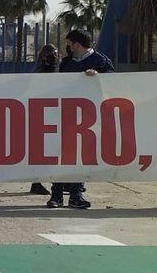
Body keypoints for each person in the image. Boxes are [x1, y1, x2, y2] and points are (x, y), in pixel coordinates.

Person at [47, 29, 115, 209]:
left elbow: (113, 83)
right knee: (62, 156)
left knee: (82, 157)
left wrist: (97, 77)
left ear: (77, 44)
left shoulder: (100, 62)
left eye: (69, 43)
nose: (67, 47)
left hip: (90, 119)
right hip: (67, 116)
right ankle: (57, 195)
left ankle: (76, 195)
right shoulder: (67, 63)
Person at [29, 44, 60, 196]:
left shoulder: (59, 70)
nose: (54, 56)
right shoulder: (39, 72)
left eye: (55, 53)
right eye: (51, 54)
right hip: (41, 116)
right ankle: (36, 181)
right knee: (41, 151)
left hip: (55, 114)